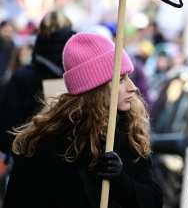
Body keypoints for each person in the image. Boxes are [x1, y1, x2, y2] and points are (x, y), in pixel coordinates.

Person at [4, 32, 163, 208]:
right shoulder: (48, 142)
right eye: (120, 79)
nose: (133, 88)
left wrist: (122, 182)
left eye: (128, 77)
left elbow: (154, 200)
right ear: (97, 89)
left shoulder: (130, 131)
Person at [0, 11, 75, 155]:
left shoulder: (23, 76)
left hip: (23, 158)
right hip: (60, 162)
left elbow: (5, 131)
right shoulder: (76, 79)